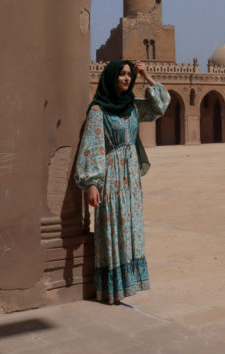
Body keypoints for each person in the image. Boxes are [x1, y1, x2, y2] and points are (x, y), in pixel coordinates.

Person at [75, 59, 170, 303]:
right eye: (122, 74)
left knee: (131, 228)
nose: (127, 78)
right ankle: (111, 289)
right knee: (113, 226)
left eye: (129, 74)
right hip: (112, 178)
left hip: (131, 179)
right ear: (111, 78)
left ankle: (128, 284)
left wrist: (147, 76)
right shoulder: (98, 111)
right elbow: (93, 146)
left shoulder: (132, 108)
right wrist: (93, 183)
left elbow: (161, 105)